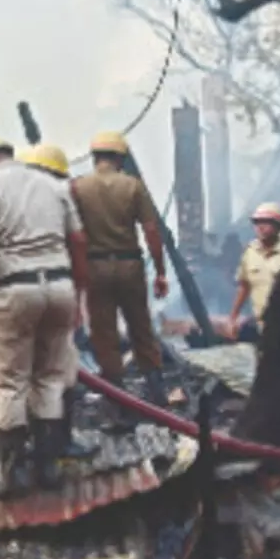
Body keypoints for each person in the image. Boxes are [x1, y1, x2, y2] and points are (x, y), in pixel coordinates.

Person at [0, 136, 89, 497]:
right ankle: (47, 468)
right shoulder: (55, 186)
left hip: (15, 290)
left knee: (10, 382)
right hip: (60, 288)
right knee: (48, 378)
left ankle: (10, 472)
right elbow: (78, 242)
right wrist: (78, 295)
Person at [68, 131, 173, 409]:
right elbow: (151, 231)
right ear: (120, 158)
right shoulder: (133, 187)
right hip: (129, 265)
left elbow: (74, 236)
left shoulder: (78, 188)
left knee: (104, 333)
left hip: (95, 266)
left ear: (95, 158)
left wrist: (77, 278)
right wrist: (161, 271)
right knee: (140, 326)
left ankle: (117, 399)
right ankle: (156, 392)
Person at [17, 143, 99, 459]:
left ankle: (25, 445)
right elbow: (77, 247)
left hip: (15, 298)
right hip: (53, 295)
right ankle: (56, 444)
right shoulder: (60, 203)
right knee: (61, 372)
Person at [226, 202, 280, 340]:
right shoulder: (250, 252)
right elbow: (244, 287)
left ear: (278, 226)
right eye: (257, 222)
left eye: (266, 222)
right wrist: (233, 317)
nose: (260, 227)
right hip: (262, 324)